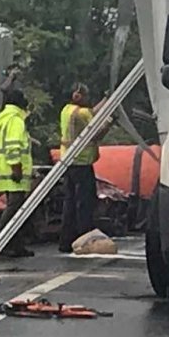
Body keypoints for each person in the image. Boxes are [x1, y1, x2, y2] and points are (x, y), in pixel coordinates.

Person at [58, 83, 108, 253]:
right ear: (77, 95)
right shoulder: (82, 113)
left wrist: (105, 100)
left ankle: (66, 241)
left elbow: (92, 112)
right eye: (85, 96)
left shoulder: (67, 110)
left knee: (70, 202)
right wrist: (109, 122)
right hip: (82, 162)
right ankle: (84, 239)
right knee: (85, 203)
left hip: (68, 162)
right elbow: (97, 132)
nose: (87, 99)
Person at [0, 89, 34, 258]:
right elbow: (13, 146)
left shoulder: (3, 119)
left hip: (4, 170)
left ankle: (16, 246)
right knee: (14, 210)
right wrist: (16, 168)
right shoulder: (16, 121)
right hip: (13, 172)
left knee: (16, 211)